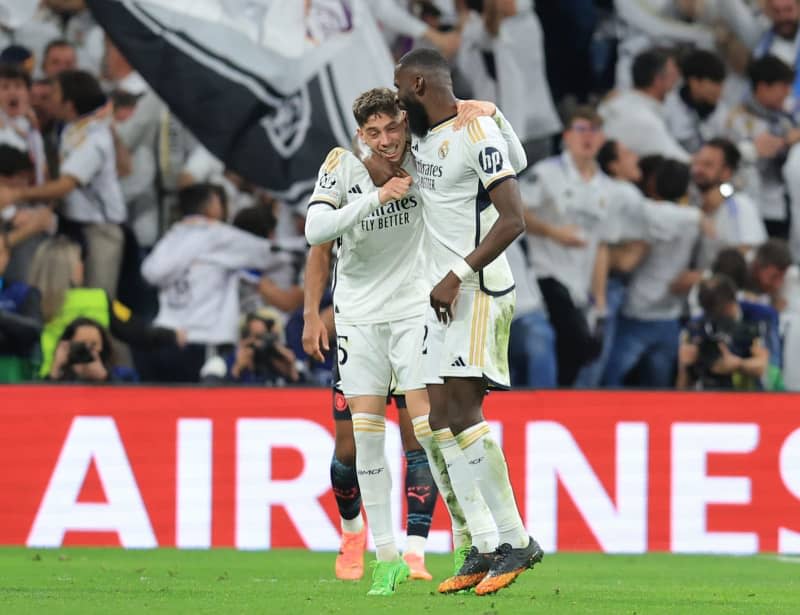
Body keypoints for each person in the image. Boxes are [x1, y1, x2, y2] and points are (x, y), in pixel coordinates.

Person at [303, 89, 503, 594]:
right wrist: (312, 313)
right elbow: (315, 232)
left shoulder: (424, 156)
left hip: (414, 310)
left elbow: (473, 140)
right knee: (361, 440)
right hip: (357, 318)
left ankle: (469, 539)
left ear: (404, 123)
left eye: (393, 128)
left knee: (431, 429)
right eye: (374, 133)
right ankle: (379, 551)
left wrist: (481, 109)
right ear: (360, 136)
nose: (387, 140)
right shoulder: (341, 166)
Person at [394, 47, 542, 596]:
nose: (397, 99)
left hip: (476, 290)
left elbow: (514, 218)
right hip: (441, 296)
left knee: (464, 411)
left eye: (399, 89)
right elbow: (518, 158)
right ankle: (482, 544)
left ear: (417, 83)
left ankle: (516, 539)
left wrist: (456, 273)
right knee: (438, 421)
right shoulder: (430, 138)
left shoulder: (475, 133)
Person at [0, 69, 127, 299]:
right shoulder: (67, 128)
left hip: (98, 231)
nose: (49, 97)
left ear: (69, 103)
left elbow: (65, 185)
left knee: (95, 300)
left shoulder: (94, 136)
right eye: (5, 87)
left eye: (55, 92)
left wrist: (16, 196)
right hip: (52, 224)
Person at [140, 183, 277, 382]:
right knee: (203, 406)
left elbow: (149, 272)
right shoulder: (220, 235)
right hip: (207, 339)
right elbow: (268, 254)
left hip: (167, 334)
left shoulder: (171, 238)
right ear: (211, 204)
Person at [523, 106, 612, 387]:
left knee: (580, 352)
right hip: (546, 275)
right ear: (567, 136)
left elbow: (601, 246)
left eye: (594, 130)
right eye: (581, 129)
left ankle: (559, 408)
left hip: (580, 286)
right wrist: (552, 232)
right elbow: (514, 210)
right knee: (572, 341)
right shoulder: (547, 174)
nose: (588, 137)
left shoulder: (607, 188)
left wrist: (599, 299)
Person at [27, 235, 181, 379]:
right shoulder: (96, 299)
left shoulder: (28, 300)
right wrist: (173, 335)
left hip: (42, 380)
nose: (82, 266)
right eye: (79, 261)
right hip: (91, 378)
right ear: (71, 268)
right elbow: (137, 330)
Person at [724, 55, 799, 238]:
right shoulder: (737, 120)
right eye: (783, 86)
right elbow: (731, 161)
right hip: (756, 204)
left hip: (785, 202)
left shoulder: (785, 112)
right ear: (763, 87)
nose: (788, 92)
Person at [599, 48, 690, 162]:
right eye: (673, 74)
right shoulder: (645, 120)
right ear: (658, 80)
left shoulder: (616, 102)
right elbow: (681, 162)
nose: (677, 79)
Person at [47, 316, 114, 382]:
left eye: (93, 344)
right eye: (82, 344)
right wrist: (55, 369)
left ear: (103, 346)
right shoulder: (61, 377)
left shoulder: (117, 373)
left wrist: (105, 378)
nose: (87, 349)